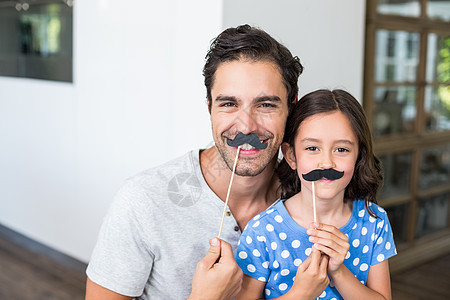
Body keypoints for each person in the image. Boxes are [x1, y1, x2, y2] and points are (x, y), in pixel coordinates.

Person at [85, 24, 304, 299]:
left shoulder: (308, 194)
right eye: (228, 104)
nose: (246, 127)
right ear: (209, 106)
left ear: (292, 107)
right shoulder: (143, 200)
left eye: (266, 105)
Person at [235, 89, 397, 299]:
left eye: (341, 150)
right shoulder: (262, 231)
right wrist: (301, 293)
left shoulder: (374, 221)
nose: (327, 163)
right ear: (291, 156)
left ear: (359, 157)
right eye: (312, 148)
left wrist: (338, 272)